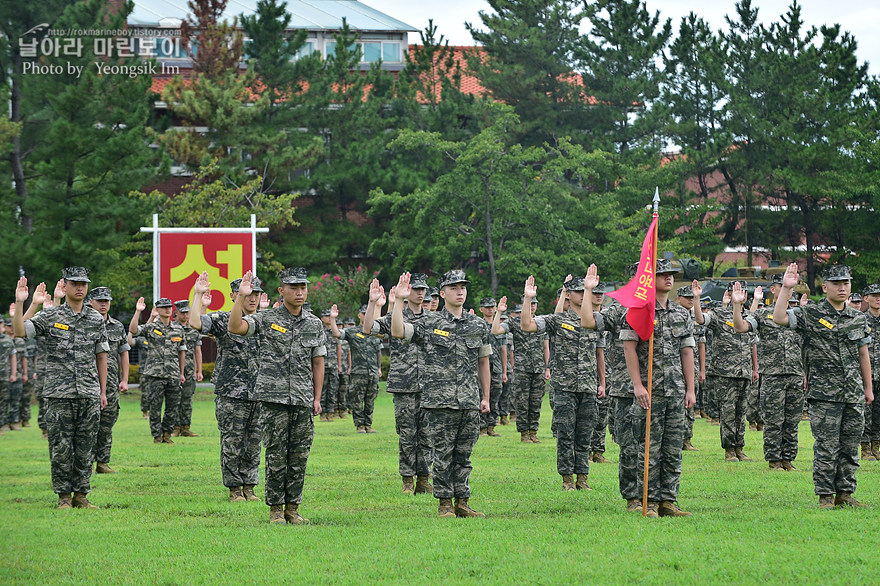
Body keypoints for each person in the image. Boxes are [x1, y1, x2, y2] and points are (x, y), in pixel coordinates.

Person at [228, 268, 325, 524]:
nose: (299, 292)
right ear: (281, 291)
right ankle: (275, 510)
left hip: (302, 398)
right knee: (275, 454)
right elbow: (236, 326)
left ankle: (293, 508)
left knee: (299, 455)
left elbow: (318, 362)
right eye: (293, 288)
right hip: (274, 399)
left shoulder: (314, 323)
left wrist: (317, 398)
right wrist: (241, 297)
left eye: (303, 287)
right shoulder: (266, 318)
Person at [390, 270, 491, 518]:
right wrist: (398, 301)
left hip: (468, 400)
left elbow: (483, 361)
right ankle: (445, 503)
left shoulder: (477, 325)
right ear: (443, 293)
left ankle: (463, 502)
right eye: (454, 287)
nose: (460, 292)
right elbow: (398, 331)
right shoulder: (430, 323)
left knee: (464, 456)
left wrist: (485, 396)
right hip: (439, 401)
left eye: (463, 287)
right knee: (443, 455)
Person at [772, 264, 873, 508]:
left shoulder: (858, 317)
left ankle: (845, 493)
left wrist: (867, 388)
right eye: (837, 283)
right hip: (824, 395)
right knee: (827, 446)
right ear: (824, 286)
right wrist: (786, 288)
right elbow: (779, 317)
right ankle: (826, 495)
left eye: (846, 283)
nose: (842, 287)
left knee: (850, 446)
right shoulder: (812, 314)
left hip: (853, 393)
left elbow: (863, 354)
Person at [13, 269, 109, 509]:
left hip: (88, 392)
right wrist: (22, 302)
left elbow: (101, 356)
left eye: (83, 284)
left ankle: (81, 495)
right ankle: (63, 496)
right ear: (64, 287)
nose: (80, 288)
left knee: (86, 446)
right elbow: (20, 331)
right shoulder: (51, 315)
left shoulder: (96, 318)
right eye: (75, 284)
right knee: (60, 447)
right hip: (59, 393)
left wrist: (103, 391)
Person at [616, 260, 696, 518]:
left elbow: (687, 352)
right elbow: (629, 349)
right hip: (649, 392)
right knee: (648, 448)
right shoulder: (639, 311)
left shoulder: (681, 313)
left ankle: (668, 500)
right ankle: (648, 500)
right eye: (662, 274)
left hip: (675, 390)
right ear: (651, 279)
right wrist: (637, 385)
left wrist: (690, 389)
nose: (669, 279)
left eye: (671, 275)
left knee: (673, 448)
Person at [521, 271, 604, 491]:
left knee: (585, 434)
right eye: (577, 291)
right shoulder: (557, 320)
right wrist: (528, 299)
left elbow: (599, 354)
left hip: (587, 385)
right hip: (564, 387)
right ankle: (567, 478)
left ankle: (583, 478)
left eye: (583, 291)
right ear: (568, 295)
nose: (582, 294)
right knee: (565, 434)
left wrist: (601, 382)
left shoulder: (595, 321)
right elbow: (527, 326)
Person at [191, 272, 264, 503]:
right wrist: (197, 295)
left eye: (256, 294)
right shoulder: (224, 320)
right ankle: (234, 488)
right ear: (234, 295)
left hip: (259, 392)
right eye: (247, 293)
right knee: (232, 441)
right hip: (231, 393)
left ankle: (249, 486)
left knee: (254, 442)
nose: (252, 298)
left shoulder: (266, 322)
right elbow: (195, 323)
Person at [363, 273, 433, 495]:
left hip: (429, 385)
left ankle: (424, 478)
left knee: (427, 435)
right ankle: (407, 479)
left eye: (423, 290)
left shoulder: (433, 319)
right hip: (404, 384)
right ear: (407, 291)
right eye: (416, 289)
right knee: (407, 433)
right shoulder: (396, 316)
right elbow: (369, 329)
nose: (420, 293)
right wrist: (373, 303)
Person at [732, 276, 804, 470]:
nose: (787, 290)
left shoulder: (800, 315)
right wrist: (737, 306)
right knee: (773, 419)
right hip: (773, 376)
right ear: (773, 289)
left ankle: (788, 459)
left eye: (790, 287)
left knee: (792, 419)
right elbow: (740, 327)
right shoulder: (763, 315)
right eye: (782, 286)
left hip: (796, 374)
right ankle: (774, 460)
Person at [693, 281, 756, 462]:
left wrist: (754, 368)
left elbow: (752, 345)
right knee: (728, 412)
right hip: (725, 372)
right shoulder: (720, 314)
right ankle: (729, 449)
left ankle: (739, 447)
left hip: (743, 371)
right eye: (735, 291)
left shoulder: (749, 317)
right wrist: (697, 299)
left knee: (741, 411)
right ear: (729, 294)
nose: (740, 294)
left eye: (743, 291)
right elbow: (700, 319)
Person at [129, 297, 186, 444]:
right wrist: (138, 311)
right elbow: (133, 330)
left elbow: (182, 351)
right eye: (164, 307)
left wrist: (181, 373)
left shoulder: (178, 329)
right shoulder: (151, 327)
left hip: (173, 373)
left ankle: (167, 434)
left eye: (169, 307)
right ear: (158, 310)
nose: (167, 309)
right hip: (155, 373)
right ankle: (156, 435)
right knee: (155, 406)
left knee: (172, 406)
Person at [492, 296, 547, 443]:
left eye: (535, 303)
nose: (533, 306)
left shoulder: (541, 322)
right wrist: (498, 312)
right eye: (530, 303)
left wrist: (547, 367)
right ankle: (524, 433)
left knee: (536, 402)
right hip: (522, 368)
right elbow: (495, 330)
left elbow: (545, 346)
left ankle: (533, 432)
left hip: (538, 368)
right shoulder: (514, 322)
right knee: (522, 402)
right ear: (524, 304)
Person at [88, 287, 130, 474]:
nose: (103, 304)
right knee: (87, 424)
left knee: (107, 422)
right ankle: (86, 461)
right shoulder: (85, 323)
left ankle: (102, 462)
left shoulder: (117, 326)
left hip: (111, 382)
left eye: (106, 301)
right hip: (88, 380)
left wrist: (125, 379)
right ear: (91, 302)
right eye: (99, 301)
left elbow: (124, 352)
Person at [334, 305, 382, 433]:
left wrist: (379, 368)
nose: (366, 315)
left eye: (368, 313)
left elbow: (379, 351)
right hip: (358, 372)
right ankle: (360, 425)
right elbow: (337, 333)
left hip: (372, 372)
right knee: (357, 400)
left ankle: (368, 424)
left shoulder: (376, 332)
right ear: (359, 315)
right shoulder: (352, 331)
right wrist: (333, 319)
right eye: (363, 313)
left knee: (370, 400)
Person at [675, 285, 705, 452]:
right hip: (674, 366)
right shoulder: (674, 316)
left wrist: (701, 370)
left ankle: (687, 438)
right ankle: (677, 437)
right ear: (678, 298)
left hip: (691, 365)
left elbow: (701, 345)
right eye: (686, 297)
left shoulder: (695, 318)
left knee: (690, 403)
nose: (690, 300)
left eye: (691, 298)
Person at [171, 299, 203, 437]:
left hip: (189, 370)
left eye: (186, 312)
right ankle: (175, 427)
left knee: (187, 399)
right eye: (182, 313)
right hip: (173, 368)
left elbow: (198, 351)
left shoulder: (193, 330)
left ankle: (185, 427)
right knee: (174, 399)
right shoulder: (172, 329)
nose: (185, 315)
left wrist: (199, 371)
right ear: (176, 313)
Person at [478, 297, 504, 437]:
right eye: (486, 307)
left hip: (496, 367)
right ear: (481, 309)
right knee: (482, 394)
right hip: (482, 366)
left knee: (495, 395)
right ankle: (481, 426)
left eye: (492, 306)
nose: (489, 309)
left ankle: (491, 426)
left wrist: (505, 370)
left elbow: (503, 349)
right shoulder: (478, 325)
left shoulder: (498, 326)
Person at [862, 283, 880, 460]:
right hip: (865, 376)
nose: (878, 298)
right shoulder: (860, 320)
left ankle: (877, 445)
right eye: (874, 295)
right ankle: (866, 448)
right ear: (866, 298)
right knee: (865, 413)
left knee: (879, 413)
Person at [318, 308, 341, 422]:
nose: (328, 318)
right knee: (322, 390)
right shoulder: (319, 331)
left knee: (332, 390)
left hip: (333, 365)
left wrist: (339, 365)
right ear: (322, 318)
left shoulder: (334, 331)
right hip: (322, 365)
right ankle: (322, 413)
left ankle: (330, 413)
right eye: (326, 316)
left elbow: (338, 349)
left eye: (329, 316)